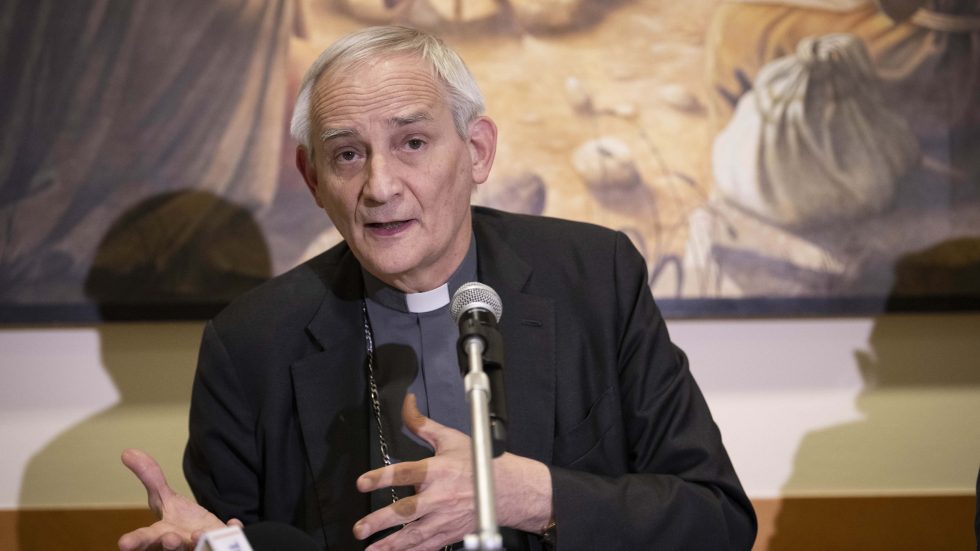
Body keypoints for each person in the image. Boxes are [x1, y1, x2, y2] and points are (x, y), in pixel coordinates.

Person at [118, 25, 756, 551]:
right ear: (312, 179)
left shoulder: (594, 276)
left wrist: (535, 496)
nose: (380, 186)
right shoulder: (250, 342)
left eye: (412, 142)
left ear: (477, 151)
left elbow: (717, 519)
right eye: (347, 155)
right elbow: (233, 539)